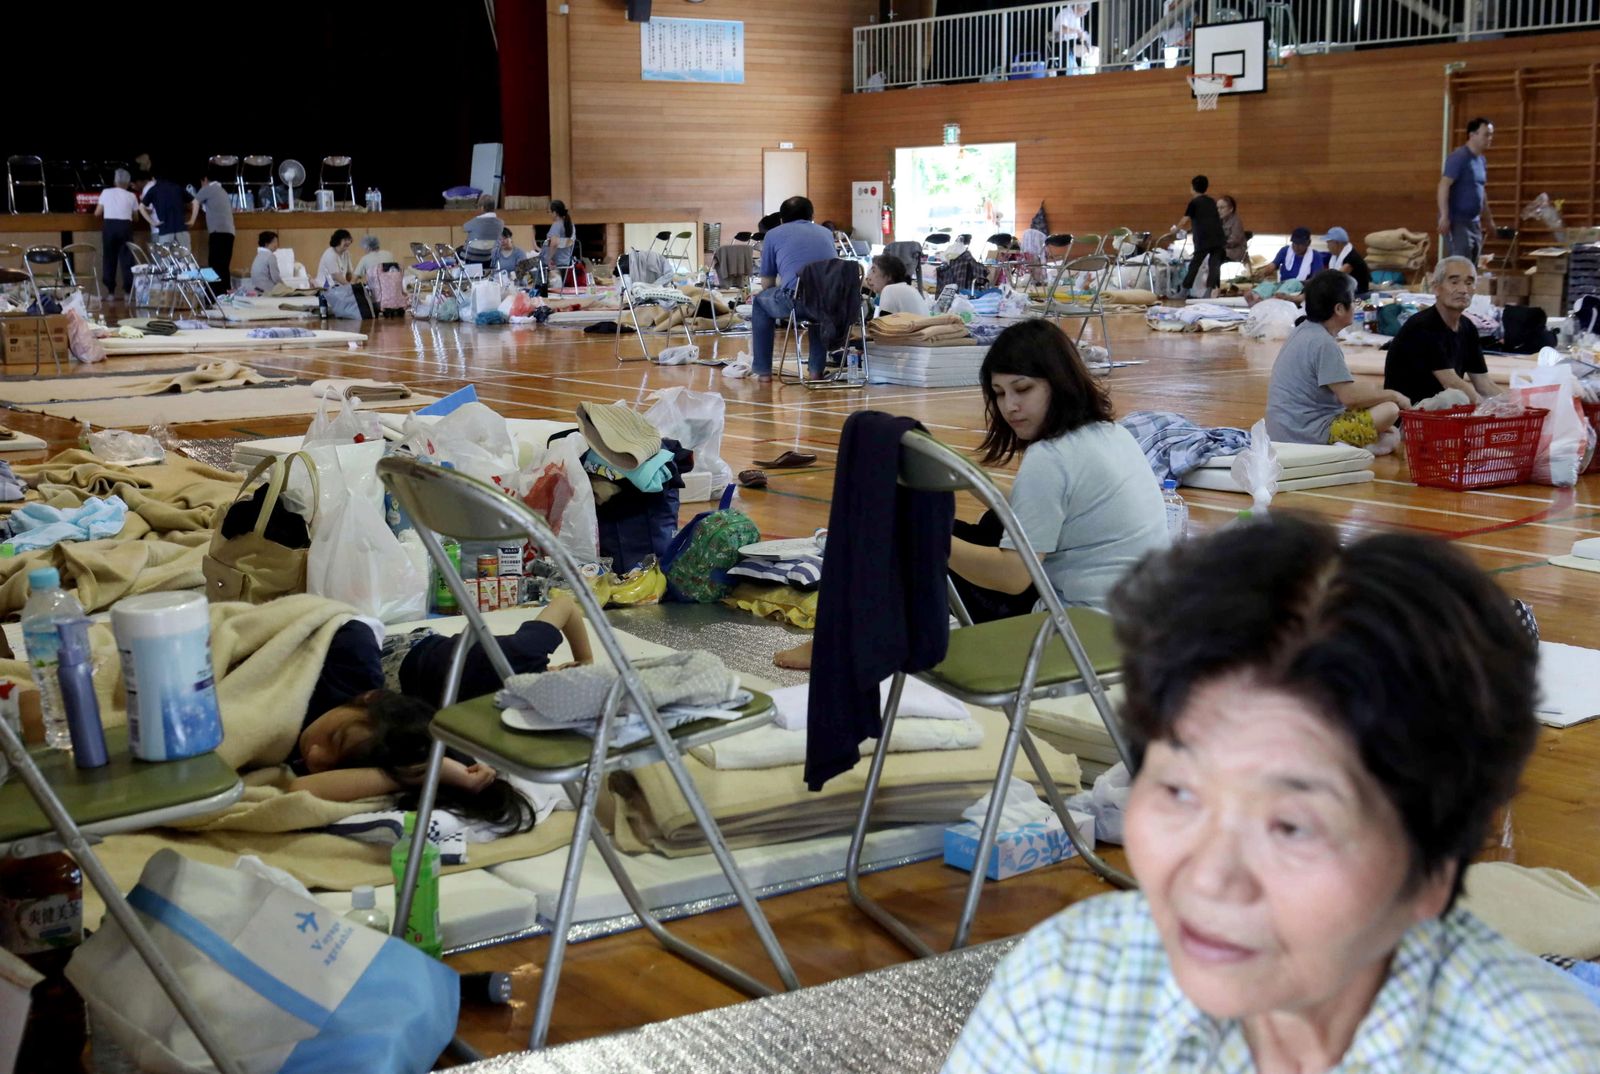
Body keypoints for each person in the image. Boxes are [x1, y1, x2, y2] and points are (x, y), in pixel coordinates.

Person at [943, 515, 1600, 1074]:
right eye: (1179, 791)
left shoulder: (1536, 1054)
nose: (1209, 877)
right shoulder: (1066, 989)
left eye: (1291, 826)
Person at [288, 594, 594, 825]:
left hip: (410, 691)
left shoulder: (491, 727)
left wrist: (427, 771)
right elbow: (565, 603)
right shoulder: (517, 659)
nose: (315, 756)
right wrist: (587, 662)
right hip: (408, 651)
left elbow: (299, 788)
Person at [949, 318, 1169, 620]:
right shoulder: (1111, 432)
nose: (1009, 406)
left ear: (1059, 382)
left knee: (917, 545)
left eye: (1022, 389)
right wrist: (968, 479)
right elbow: (1041, 509)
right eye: (999, 393)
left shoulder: (1050, 456)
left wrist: (927, 541)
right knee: (988, 524)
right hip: (1141, 616)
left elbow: (1012, 578)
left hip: (1084, 626)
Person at [1266, 270, 1408, 454]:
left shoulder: (1303, 331)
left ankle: (1364, 443)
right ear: (1339, 309)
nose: (1356, 305)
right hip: (1306, 434)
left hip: (1284, 429)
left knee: (1389, 429)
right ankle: (1343, 448)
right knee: (1389, 410)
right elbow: (1350, 398)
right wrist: (1393, 395)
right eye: (1353, 300)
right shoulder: (1323, 343)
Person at [1384, 256, 1503, 407]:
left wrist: (1515, 403)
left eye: (1469, 282)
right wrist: (1486, 408)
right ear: (1436, 287)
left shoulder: (1468, 328)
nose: (1463, 290)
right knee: (1457, 397)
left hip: (1445, 414)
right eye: (1454, 282)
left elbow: (1484, 384)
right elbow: (1451, 382)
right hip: (1411, 414)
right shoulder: (1423, 326)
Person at [750, 195, 839, 382]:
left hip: (795, 302)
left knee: (760, 302)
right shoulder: (826, 233)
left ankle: (763, 371)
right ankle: (816, 372)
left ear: (781, 219)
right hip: (831, 302)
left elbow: (767, 283)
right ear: (812, 216)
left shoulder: (773, 234)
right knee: (819, 303)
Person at [1438, 117, 1495, 266]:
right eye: (1486, 134)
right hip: (1457, 221)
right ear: (1472, 135)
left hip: (1474, 222)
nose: (1490, 138)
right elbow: (1443, 186)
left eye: (1491, 135)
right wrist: (1444, 216)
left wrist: (1488, 220)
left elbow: (1481, 191)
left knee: (1473, 266)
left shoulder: (1481, 160)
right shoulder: (1459, 157)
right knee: (1461, 264)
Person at [1176, 175, 1226, 298]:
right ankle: (1208, 291)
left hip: (1203, 239)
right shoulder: (1211, 201)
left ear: (1193, 188)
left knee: (1195, 265)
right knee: (1214, 265)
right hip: (1218, 238)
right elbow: (1209, 219)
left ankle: (1184, 291)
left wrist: (1175, 230)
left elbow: (1184, 220)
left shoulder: (1194, 203)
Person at [92, 168, 139, 300]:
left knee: (109, 258)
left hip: (110, 226)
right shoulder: (132, 196)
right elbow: (136, 217)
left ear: (114, 181)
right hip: (126, 227)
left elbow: (97, 213)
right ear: (128, 183)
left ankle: (111, 292)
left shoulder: (106, 192)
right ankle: (127, 293)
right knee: (127, 259)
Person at [194, 170, 236, 297]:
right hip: (230, 232)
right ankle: (225, 294)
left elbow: (195, 202)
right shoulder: (222, 191)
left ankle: (213, 296)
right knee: (224, 266)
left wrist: (191, 220)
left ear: (205, 180)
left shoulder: (208, 188)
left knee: (214, 265)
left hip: (218, 232)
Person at [139, 168, 196, 252]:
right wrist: (192, 220)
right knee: (185, 260)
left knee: (167, 261)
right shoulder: (177, 187)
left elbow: (141, 207)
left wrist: (153, 223)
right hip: (181, 229)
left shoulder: (154, 190)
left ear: (154, 178)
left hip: (165, 230)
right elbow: (195, 202)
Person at [1323, 226, 1371, 295]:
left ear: (1337, 243)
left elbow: (1336, 278)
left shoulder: (1352, 258)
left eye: (1328, 243)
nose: (1327, 246)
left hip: (1358, 295)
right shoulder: (1335, 256)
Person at [1050, 2, 1093, 73]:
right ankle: (1063, 75)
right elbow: (1062, 29)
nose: (1085, 14)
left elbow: (1078, 32)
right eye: (1085, 11)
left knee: (1086, 45)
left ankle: (1081, 70)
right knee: (1068, 48)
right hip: (1059, 41)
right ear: (1080, 8)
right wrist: (1077, 31)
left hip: (1070, 42)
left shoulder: (1077, 17)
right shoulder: (1065, 13)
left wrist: (1083, 37)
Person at [464, 194, 505, 266]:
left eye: (478, 207)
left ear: (482, 208)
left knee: (459, 250)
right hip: (488, 257)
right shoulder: (501, 223)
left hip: (472, 257)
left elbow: (464, 228)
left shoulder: (476, 221)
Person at [542, 199, 575, 278]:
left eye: (549, 212)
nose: (548, 214)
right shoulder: (571, 225)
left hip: (551, 262)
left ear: (555, 213)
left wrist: (549, 259)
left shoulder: (556, 225)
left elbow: (554, 243)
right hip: (566, 261)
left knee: (523, 264)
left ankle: (531, 288)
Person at [1217, 195, 1248, 265]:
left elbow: (1234, 241)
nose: (1219, 210)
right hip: (1223, 250)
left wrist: (1219, 244)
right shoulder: (1218, 221)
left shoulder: (1236, 221)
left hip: (1235, 251)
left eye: (1222, 208)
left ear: (1231, 209)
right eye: (1217, 208)